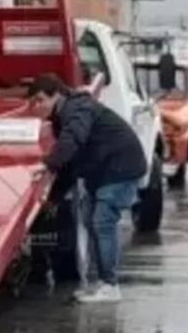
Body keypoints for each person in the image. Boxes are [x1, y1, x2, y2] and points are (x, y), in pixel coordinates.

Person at [29, 73, 148, 303]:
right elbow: (71, 163)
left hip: (120, 168)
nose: (37, 106)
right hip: (104, 171)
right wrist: (54, 197)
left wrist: (48, 163)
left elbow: (72, 141)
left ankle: (110, 286)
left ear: (56, 95)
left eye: (40, 99)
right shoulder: (63, 115)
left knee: (102, 222)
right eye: (33, 102)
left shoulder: (77, 109)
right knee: (89, 219)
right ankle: (102, 282)